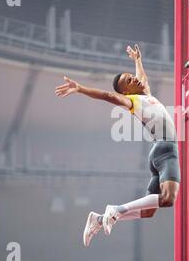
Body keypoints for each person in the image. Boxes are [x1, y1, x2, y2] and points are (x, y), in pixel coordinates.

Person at [54, 44, 180, 247]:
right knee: (168, 198)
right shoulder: (133, 102)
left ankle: (99, 217)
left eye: (131, 76)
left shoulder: (146, 94)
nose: (135, 78)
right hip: (166, 149)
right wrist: (80, 89)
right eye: (129, 80)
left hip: (158, 153)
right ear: (127, 91)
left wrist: (137, 60)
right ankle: (116, 209)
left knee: (148, 212)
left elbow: (143, 79)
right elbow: (109, 96)